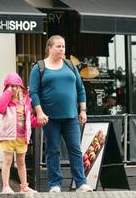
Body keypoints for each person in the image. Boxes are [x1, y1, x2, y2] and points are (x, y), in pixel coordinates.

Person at [29, 35, 93, 192]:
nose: (62, 49)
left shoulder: (70, 65)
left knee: (75, 149)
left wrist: (83, 110)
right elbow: (34, 93)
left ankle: (81, 183)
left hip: (71, 117)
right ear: (49, 47)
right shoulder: (39, 67)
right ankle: (55, 184)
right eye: (58, 46)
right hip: (50, 118)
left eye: (63, 46)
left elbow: (80, 89)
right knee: (53, 150)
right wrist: (39, 112)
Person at [0, 72, 39, 194]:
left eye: (15, 86)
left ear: (20, 86)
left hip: (22, 137)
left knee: (21, 162)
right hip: (8, 136)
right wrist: (7, 93)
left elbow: (31, 120)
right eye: (10, 86)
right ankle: (5, 186)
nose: (13, 88)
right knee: (8, 161)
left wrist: (40, 121)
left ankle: (24, 187)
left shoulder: (26, 101)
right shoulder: (6, 101)